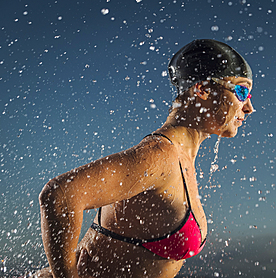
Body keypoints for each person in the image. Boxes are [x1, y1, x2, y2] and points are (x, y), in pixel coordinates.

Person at [34, 39, 254, 278]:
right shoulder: (160, 155)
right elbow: (61, 193)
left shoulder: (181, 157)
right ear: (202, 90)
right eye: (241, 91)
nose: (249, 107)